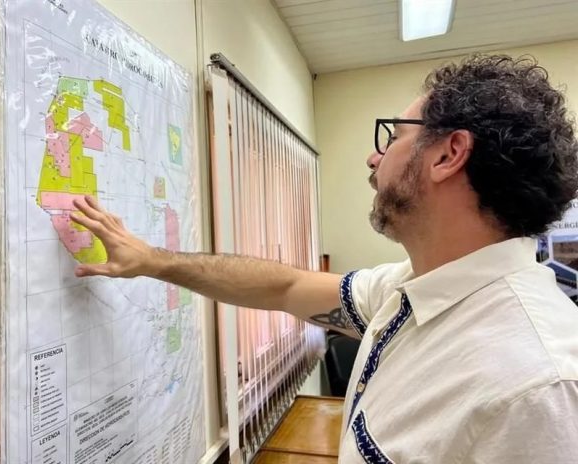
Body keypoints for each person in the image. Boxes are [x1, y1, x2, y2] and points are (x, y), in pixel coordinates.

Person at [70, 54, 578, 463]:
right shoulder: (409, 288)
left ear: (448, 155)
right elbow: (286, 288)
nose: (373, 157)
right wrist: (154, 261)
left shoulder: (539, 386)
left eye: (394, 137)